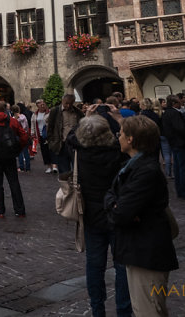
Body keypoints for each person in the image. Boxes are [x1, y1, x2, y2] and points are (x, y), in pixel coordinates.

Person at [104, 115, 178, 316]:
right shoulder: (130, 165)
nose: (117, 138)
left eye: (121, 134)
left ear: (130, 140)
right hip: (137, 248)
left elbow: (120, 213)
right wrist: (115, 203)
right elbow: (110, 196)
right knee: (142, 307)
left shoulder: (145, 170)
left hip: (147, 251)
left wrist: (116, 206)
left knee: (149, 309)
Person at [67, 112, 131, 317]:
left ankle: (97, 309)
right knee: (122, 265)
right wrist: (120, 120)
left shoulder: (79, 151)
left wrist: (85, 117)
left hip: (91, 213)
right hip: (117, 212)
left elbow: (70, 135)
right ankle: (123, 310)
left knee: (95, 265)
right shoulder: (118, 150)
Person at [0, 100, 29, 218]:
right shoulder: (12, 121)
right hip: (9, 156)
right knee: (14, 183)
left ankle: (0, 210)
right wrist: (17, 149)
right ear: (5, 109)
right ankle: (20, 210)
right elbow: (24, 136)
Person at [160, 95, 185, 200]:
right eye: (178, 101)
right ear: (173, 103)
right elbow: (180, 129)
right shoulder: (174, 113)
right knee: (183, 168)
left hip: (174, 143)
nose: (181, 102)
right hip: (180, 143)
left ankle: (181, 190)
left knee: (178, 168)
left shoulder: (166, 113)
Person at [47, 94, 83, 174]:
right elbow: (50, 128)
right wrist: (51, 142)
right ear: (62, 101)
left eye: (71, 103)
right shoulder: (55, 111)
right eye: (66, 103)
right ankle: (65, 186)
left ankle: (75, 185)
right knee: (64, 171)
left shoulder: (77, 112)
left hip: (74, 144)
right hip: (61, 144)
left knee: (77, 169)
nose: (68, 105)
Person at [30, 100, 55, 173]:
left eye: (43, 104)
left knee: (52, 150)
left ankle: (54, 166)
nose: (42, 105)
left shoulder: (49, 112)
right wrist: (32, 133)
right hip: (40, 135)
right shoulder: (35, 114)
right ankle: (49, 166)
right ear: (37, 106)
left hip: (50, 134)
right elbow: (33, 124)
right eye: (40, 104)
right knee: (45, 151)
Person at [11, 105, 31, 172]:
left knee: (19, 152)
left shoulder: (13, 118)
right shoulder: (24, 117)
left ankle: (21, 167)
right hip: (24, 134)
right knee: (26, 152)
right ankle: (28, 167)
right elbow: (27, 126)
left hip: (17, 136)